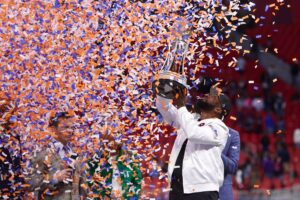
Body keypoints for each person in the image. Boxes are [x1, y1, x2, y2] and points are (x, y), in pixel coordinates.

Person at [155, 84, 231, 200]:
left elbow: (193, 133)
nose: (207, 95)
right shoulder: (191, 120)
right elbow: (165, 109)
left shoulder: (220, 129)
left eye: (213, 96)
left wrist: (181, 105)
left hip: (202, 190)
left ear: (218, 109)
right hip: (177, 187)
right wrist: (164, 90)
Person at [26, 112, 87, 200]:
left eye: (72, 127)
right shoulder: (41, 153)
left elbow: (82, 184)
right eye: (65, 127)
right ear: (54, 129)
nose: (70, 131)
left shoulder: (76, 152)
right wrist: (54, 178)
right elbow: (30, 184)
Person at [86, 132, 142, 200]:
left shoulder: (130, 156)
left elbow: (137, 182)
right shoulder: (96, 160)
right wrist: (101, 194)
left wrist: (131, 197)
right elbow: (91, 182)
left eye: (110, 144)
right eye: (102, 145)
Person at [0, 97, 24, 199]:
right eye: (10, 112)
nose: (14, 117)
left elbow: (18, 164)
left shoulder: (14, 136)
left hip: (12, 187)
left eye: (14, 113)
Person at [219, 128, 241, 200]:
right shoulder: (196, 131)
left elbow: (233, 167)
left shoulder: (233, 134)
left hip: (222, 190)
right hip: (198, 188)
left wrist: (215, 151)